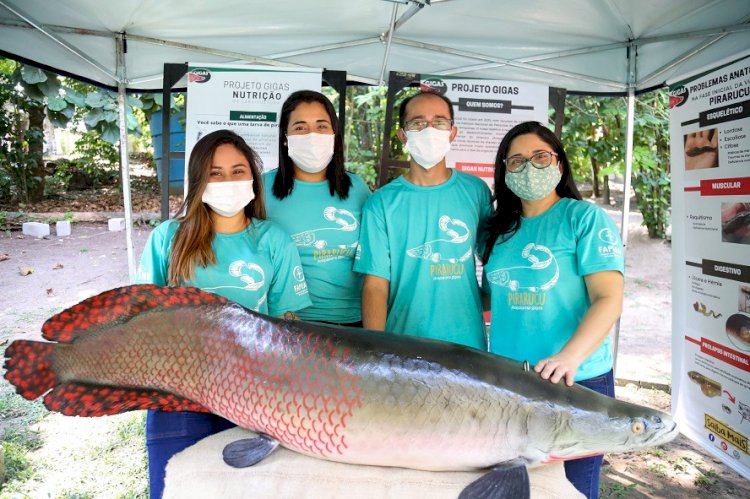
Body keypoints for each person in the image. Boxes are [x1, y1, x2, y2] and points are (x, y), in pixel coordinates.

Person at [136, 129, 311, 498]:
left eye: (238, 170)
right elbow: (141, 318)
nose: (228, 181)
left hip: (255, 392)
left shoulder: (273, 240)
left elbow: (287, 326)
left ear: (253, 177)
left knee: (245, 489)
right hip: (179, 393)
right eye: (215, 173)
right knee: (177, 486)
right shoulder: (168, 237)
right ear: (198, 180)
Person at [481, 121, 624, 498]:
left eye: (540, 156)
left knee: (572, 490)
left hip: (575, 381)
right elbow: (489, 296)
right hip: (508, 381)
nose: (530, 167)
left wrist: (569, 357)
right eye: (517, 161)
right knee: (511, 485)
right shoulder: (499, 230)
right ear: (505, 172)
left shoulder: (584, 219)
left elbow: (609, 298)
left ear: (559, 163)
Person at [353, 91, 492, 349]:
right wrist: (377, 349)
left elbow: (496, 261)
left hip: (468, 344)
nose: (429, 129)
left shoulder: (476, 191)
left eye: (439, 122)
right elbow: (375, 285)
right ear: (403, 135)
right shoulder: (381, 203)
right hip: (404, 345)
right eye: (418, 123)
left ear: (452, 133)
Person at [263, 90, 371, 326]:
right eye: (300, 127)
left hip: (351, 324)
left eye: (321, 126)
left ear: (334, 133)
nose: (312, 135)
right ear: (284, 136)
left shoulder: (358, 188)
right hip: (285, 323)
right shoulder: (261, 189)